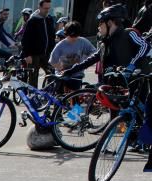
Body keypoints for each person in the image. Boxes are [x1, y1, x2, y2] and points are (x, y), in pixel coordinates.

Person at [63, 4, 151, 168]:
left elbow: (145, 46)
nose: (98, 27)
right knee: (117, 114)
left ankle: (143, 141)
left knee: (143, 112)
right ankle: (123, 141)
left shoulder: (129, 33)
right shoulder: (105, 42)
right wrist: (71, 70)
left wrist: (132, 66)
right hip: (116, 84)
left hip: (137, 80)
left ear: (110, 23)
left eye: (101, 23)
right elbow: (94, 58)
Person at [50, 21, 97, 91]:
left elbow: (94, 52)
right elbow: (52, 61)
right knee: (60, 94)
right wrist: (60, 67)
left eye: (75, 36)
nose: (73, 39)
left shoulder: (83, 42)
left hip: (77, 74)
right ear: (66, 35)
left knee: (75, 94)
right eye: (71, 36)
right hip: (62, 75)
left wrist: (86, 60)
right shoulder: (60, 45)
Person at [21, 0, 57, 87]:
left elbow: (52, 36)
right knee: (33, 77)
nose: (47, 10)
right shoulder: (32, 21)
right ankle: (33, 96)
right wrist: (27, 55)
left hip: (47, 54)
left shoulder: (49, 19)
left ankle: (48, 93)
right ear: (39, 7)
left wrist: (54, 50)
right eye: (45, 8)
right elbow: (25, 39)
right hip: (34, 54)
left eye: (49, 8)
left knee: (52, 73)